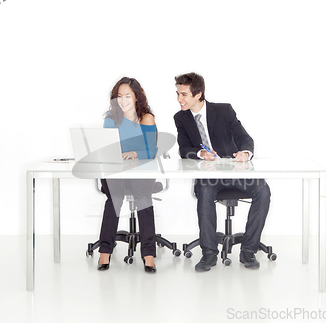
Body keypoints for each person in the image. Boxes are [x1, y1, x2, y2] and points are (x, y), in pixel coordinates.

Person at [173, 72, 271, 271]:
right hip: (209, 174)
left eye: (184, 94)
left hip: (234, 170)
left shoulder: (224, 111)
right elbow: (183, 149)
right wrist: (200, 153)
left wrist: (245, 153)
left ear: (198, 94)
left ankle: (248, 250)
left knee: (263, 190)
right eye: (178, 94)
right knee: (206, 191)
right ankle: (209, 253)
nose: (179, 99)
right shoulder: (181, 118)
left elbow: (245, 137)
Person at [97, 77, 158, 273]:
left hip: (141, 172)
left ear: (136, 98)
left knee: (143, 198)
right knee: (114, 198)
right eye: (119, 96)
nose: (123, 100)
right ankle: (104, 251)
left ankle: (148, 255)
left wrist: (135, 154)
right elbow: (106, 148)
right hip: (116, 172)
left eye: (127, 96)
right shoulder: (110, 119)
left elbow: (152, 151)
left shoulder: (146, 118)